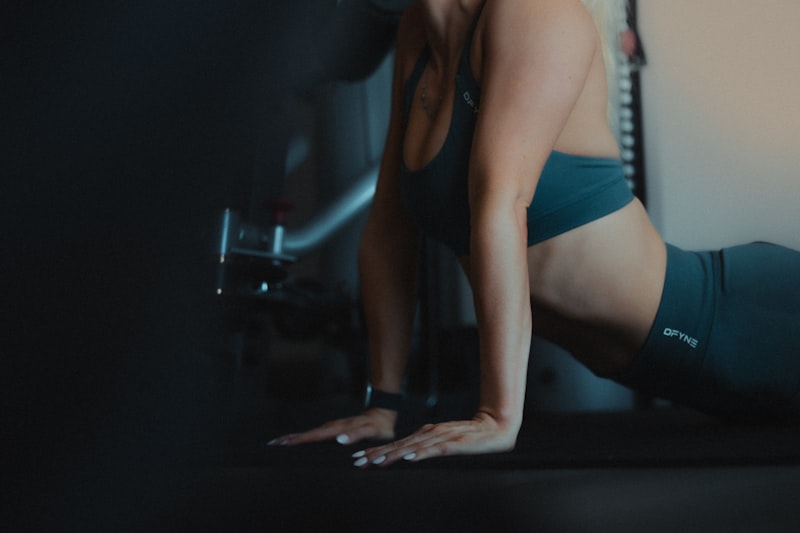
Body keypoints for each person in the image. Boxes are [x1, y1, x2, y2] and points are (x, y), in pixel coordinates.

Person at [269, 0, 800, 467]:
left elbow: (502, 204)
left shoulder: (534, 11)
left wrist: (497, 416)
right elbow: (390, 229)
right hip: (685, 375)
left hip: (735, 321)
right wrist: (383, 406)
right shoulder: (418, 33)